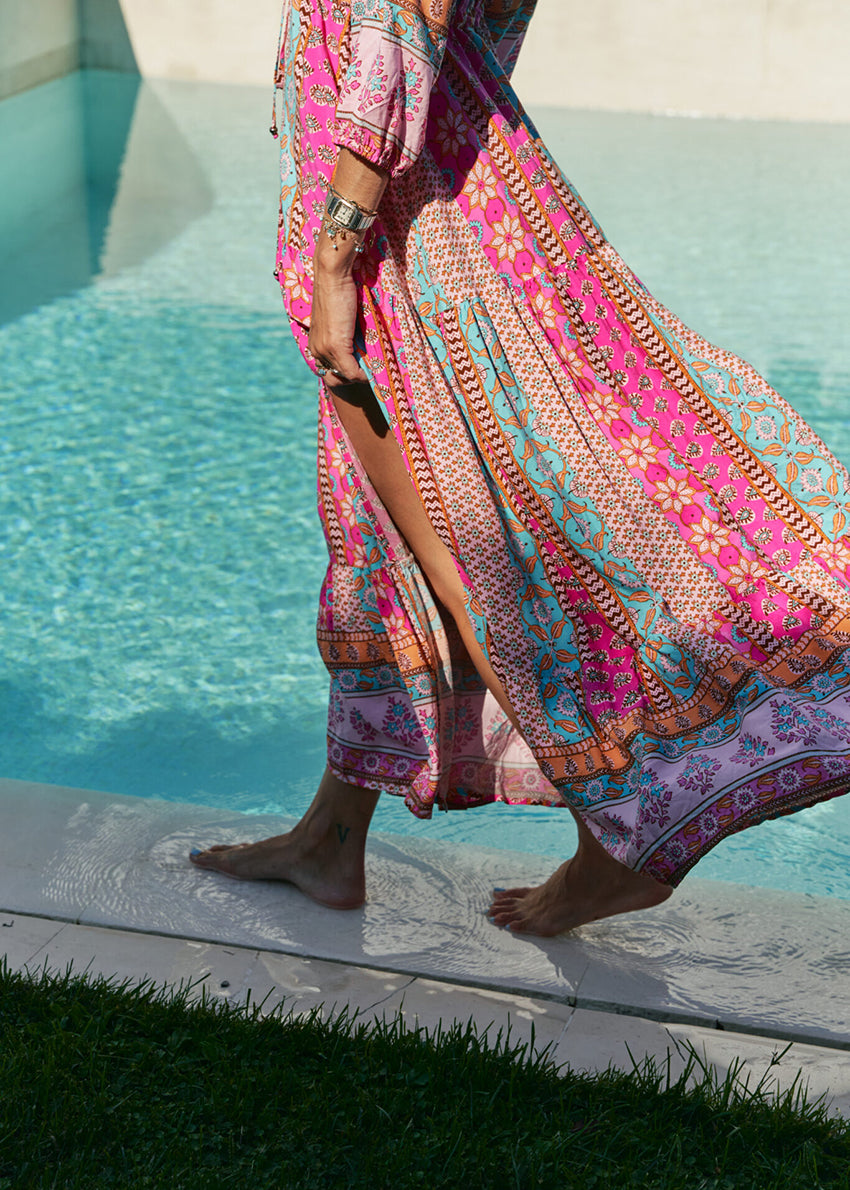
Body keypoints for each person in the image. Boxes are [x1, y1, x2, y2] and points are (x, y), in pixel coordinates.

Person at [190, 0, 850, 936]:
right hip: (446, 207)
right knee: (386, 554)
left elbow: (400, 20)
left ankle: (620, 842)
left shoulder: (367, 235)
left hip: (403, 245)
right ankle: (331, 838)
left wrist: (337, 247)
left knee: (466, 561)